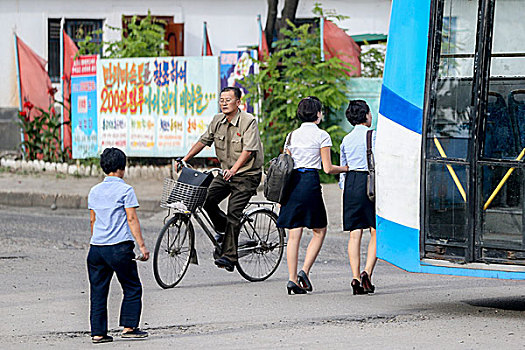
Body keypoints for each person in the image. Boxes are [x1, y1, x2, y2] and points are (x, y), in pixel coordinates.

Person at [180, 86, 263, 272]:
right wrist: (185, 158)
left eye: (228, 100)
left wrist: (234, 170)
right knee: (205, 198)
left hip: (247, 176)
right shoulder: (218, 120)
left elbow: (249, 151)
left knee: (234, 211)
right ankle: (225, 233)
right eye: (221, 100)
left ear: (238, 102)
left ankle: (229, 256)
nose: (224, 103)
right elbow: (203, 140)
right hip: (226, 173)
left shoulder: (248, 121)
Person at [277, 96, 348, 295]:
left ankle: (291, 279)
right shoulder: (322, 136)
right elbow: (327, 168)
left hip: (292, 184)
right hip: (309, 183)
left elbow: (286, 166)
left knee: (294, 234)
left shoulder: (291, 136)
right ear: (317, 114)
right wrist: (345, 168)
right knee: (319, 229)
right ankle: (304, 270)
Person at [87, 147, 150, 343]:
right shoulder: (126, 190)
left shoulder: (94, 191)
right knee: (132, 286)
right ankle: (129, 327)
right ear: (122, 168)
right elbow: (131, 218)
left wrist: (98, 240)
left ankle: (98, 333)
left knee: (98, 291)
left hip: (96, 248)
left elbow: (93, 220)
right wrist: (142, 246)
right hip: (119, 248)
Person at [340, 100, 377, 295]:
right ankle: (367, 273)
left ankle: (355, 277)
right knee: (375, 231)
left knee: (355, 234)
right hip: (370, 184)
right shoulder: (374, 136)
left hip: (351, 183)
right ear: (366, 116)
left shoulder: (346, 139)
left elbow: (342, 170)